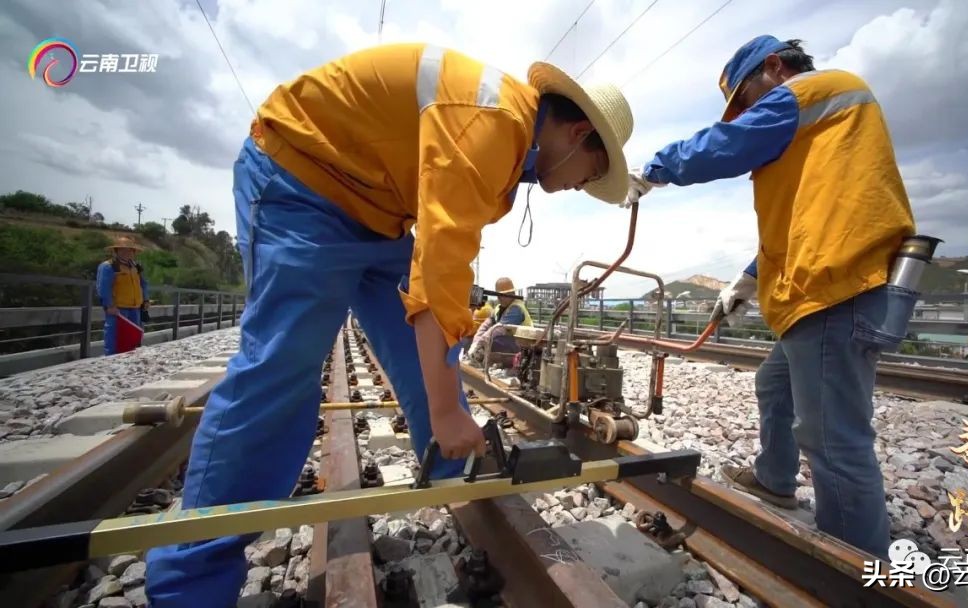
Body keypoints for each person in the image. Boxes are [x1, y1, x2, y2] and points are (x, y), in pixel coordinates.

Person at [145, 42, 633, 606]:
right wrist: (449, 409)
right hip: (302, 181)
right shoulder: (494, 123)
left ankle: (457, 466)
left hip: (376, 211)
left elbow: (437, 280)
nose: (580, 185)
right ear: (577, 136)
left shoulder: (512, 139)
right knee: (281, 367)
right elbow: (442, 275)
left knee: (417, 347)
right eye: (592, 173)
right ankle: (191, 578)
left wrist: (447, 400)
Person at [625, 35, 918, 560]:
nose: (744, 113)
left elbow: (727, 145)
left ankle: (854, 571)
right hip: (824, 285)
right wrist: (749, 278)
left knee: (834, 440)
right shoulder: (826, 124)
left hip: (833, 289)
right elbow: (812, 215)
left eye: (744, 99)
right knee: (774, 383)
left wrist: (656, 169)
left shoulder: (807, 93)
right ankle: (775, 479)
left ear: (775, 67)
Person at [95, 235, 149, 355]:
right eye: (123, 249)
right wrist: (109, 305)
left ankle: (131, 358)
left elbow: (144, 284)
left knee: (133, 337)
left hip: (135, 308)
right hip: (118, 309)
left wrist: (145, 300)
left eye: (130, 250)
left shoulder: (136, 267)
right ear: (116, 251)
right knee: (114, 335)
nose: (127, 252)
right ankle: (110, 357)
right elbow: (103, 287)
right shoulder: (109, 266)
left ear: (134, 252)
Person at [466, 276, 533, 363]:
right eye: (499, 295)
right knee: (492, 340)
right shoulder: (498, 308)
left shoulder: (516, 309)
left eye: (505, 295)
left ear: (513, 294)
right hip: (510, 345)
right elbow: (485, 326)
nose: (500, 298)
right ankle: (487, 362)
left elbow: (498, 329)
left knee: (496, 341)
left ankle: (502, 365)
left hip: (523, 347)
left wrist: (480, 344)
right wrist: (475, 341)